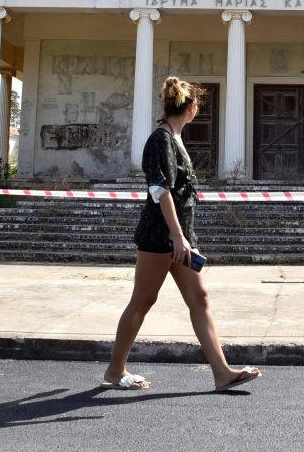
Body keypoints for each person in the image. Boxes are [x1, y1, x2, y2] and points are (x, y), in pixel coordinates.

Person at [102, 76, 262, 391]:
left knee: (199, 298)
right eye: (197, 103)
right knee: (143, 300)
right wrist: (177, 236)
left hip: (180, 237)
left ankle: (222, 373)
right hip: (160, 236)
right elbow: (160, 191)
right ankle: (115, 370)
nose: (198, 108)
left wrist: (183, 237)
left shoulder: (174, 138)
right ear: (190, 107)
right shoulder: (160, 139)